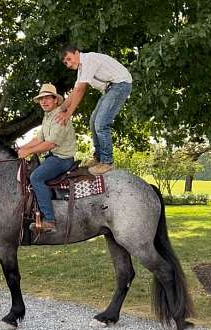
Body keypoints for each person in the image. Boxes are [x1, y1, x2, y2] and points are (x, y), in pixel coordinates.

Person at [56, 45, 132, 175]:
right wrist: (59, 109)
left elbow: (81, 90)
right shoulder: (81, 69)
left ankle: (107, 162)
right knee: (93, 122)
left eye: (69, 59)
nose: (68, 64)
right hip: (110, 89)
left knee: (101, 124)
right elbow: (74, 92)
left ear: (77, 53)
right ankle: (99, 158)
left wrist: (68, 113)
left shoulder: (88, 60)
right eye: (65, 63)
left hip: (120, 85)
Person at [17, 83, 76, 233]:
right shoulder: (47, 117)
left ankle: (49, 220)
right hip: (52, 158)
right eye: (41, 99)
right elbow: (38, 139)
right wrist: (22, 148)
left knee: (36, 177)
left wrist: (28, 152)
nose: (43, 101)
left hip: (62, 159)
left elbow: (49, 144)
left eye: (47, 98)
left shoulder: (59, 117)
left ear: (56, 100)